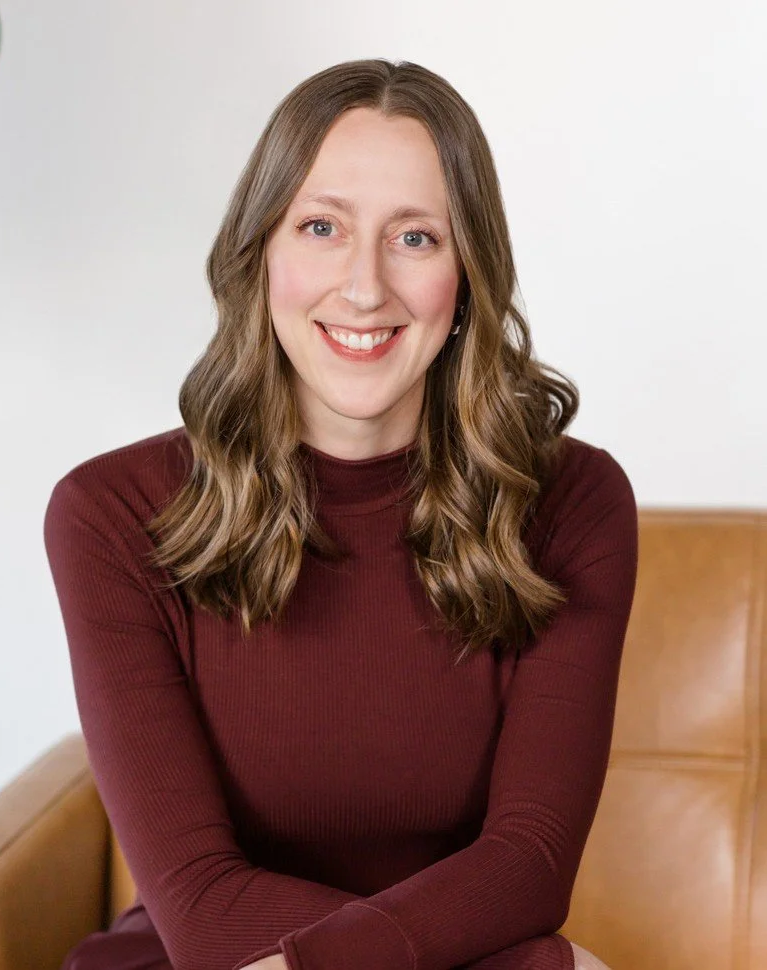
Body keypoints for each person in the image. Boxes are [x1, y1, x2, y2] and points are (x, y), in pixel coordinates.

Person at [44, 58, 637, 970]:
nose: (364, 288)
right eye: (321, 227)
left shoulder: (571, 504)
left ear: (468, 274)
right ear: (261, 251)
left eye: (415, 238)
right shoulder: (112, 515)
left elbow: (529, 864)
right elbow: (198, 905)